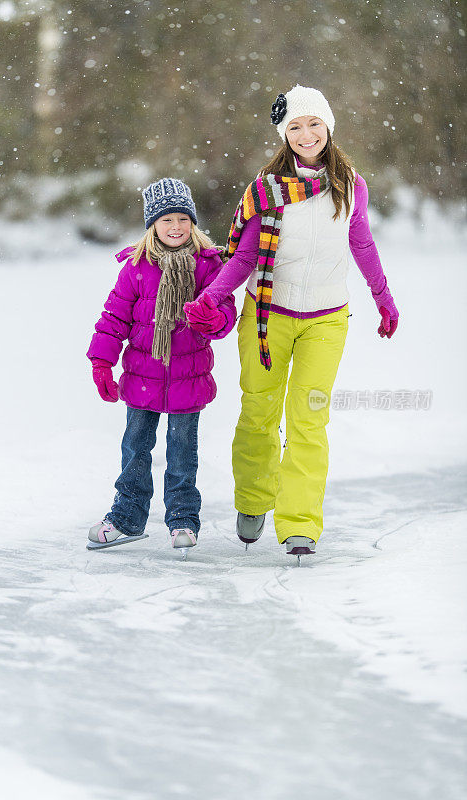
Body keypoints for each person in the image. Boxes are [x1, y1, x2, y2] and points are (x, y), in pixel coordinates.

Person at [184, 85, 399, 561]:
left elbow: (362, 245)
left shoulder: (351, 186)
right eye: (296, 127)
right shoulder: (266, 188)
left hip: (326, 320)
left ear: (328, 127)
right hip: (268, 316)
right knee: (259, 412)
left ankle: (300, 522)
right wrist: (212, 296)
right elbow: (243, 258)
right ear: (285, 134)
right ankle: (254, 499)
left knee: (309, 420)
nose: (306, 135)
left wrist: (384, 299)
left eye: (314, 124)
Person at [86, 178, 236, 555]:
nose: (175, 227)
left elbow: (227, 311)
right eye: (166, 219)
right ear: (152, 224)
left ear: (193, 222)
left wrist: (212, 321)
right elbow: (113, 317)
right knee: (136, 449)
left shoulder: (208, 266)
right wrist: (101, 362)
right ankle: (127, 518)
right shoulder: (136, 267)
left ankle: (183, 519)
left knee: (182, 453)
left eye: (183, 219)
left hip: (189, 378)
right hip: (141, 377)